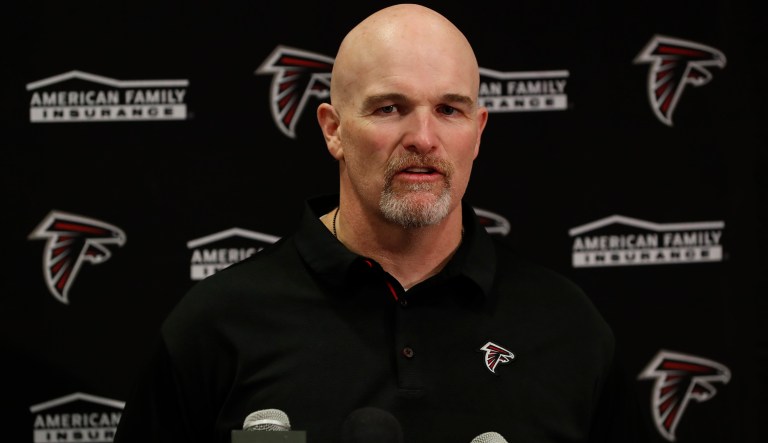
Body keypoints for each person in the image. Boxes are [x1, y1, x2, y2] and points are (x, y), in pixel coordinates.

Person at [114, 4, 642, 442]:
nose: (423, 138)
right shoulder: (220, 325)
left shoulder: (567, 328)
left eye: (449, 110)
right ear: (334, 130)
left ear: (478, 132)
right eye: (390, 108)